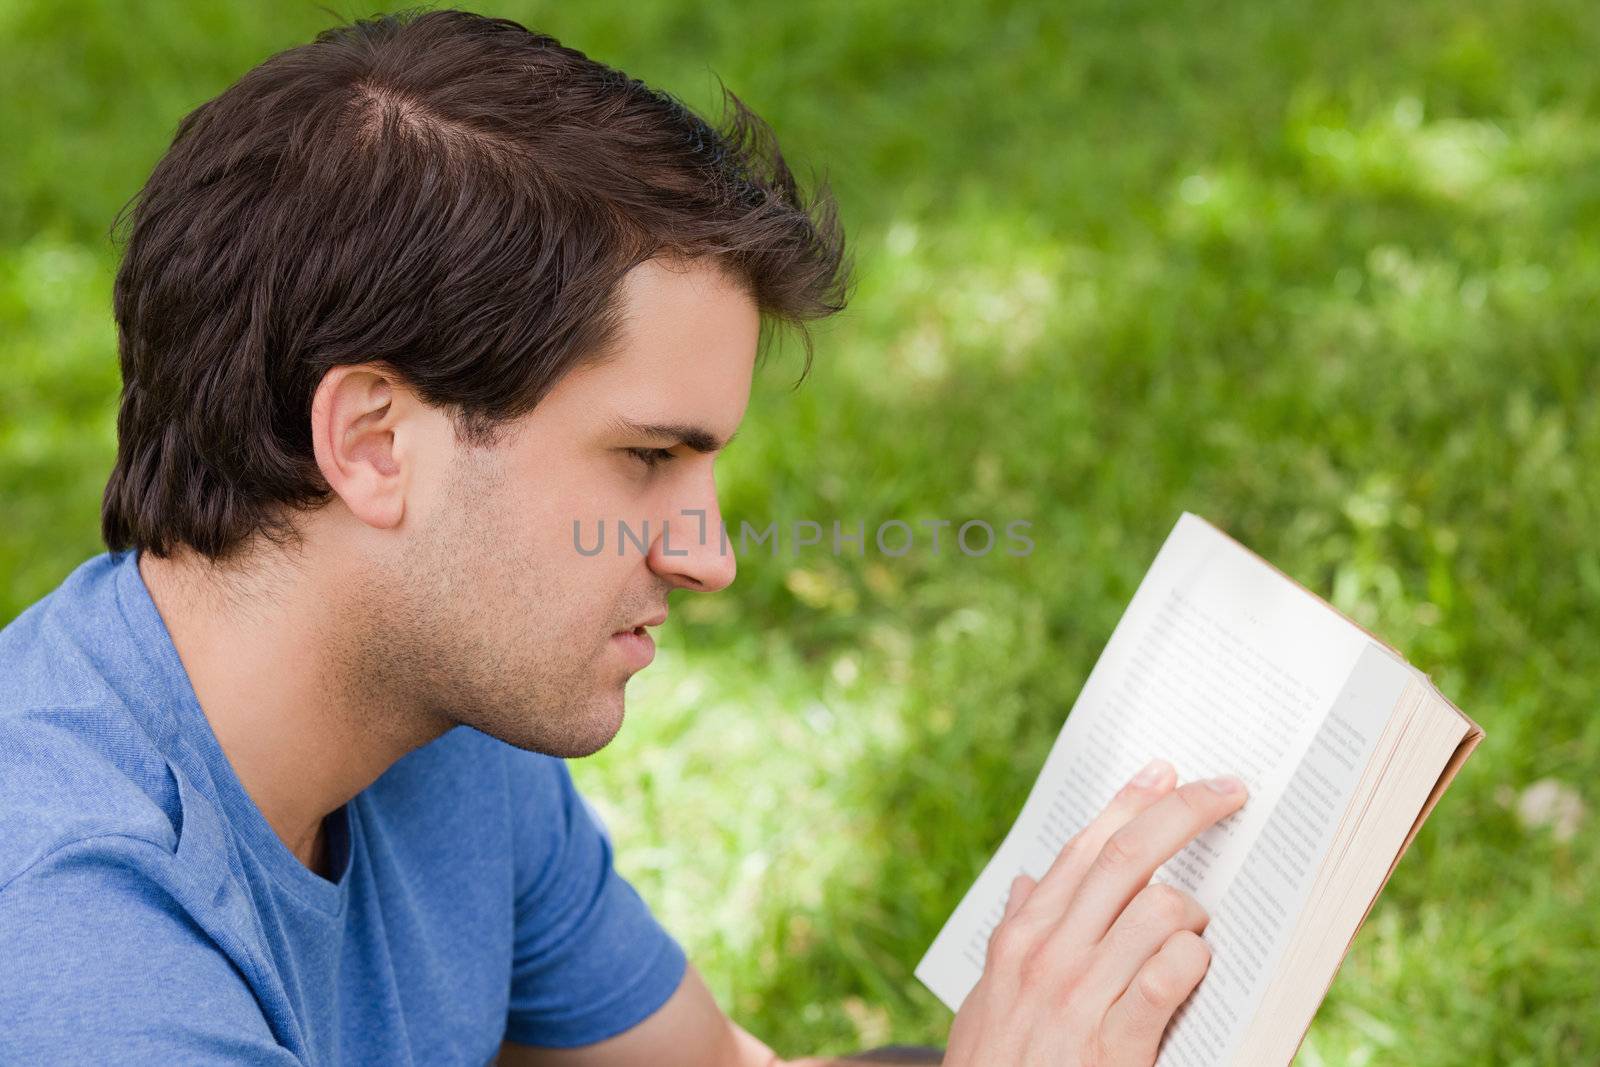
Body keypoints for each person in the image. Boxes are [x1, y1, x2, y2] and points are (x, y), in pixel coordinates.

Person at [0, 9, 1246, 1065]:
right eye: (647, 458)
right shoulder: (78, 949)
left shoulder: (438, 713)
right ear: (375, 442)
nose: (709, 556)